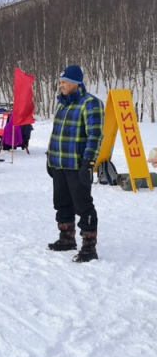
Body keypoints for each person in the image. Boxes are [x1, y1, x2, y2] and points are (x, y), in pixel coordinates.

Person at [46, 65, 104, 263]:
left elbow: (95, 135)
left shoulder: (90, 103)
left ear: (75, 83)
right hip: (59, 163)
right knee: (61, 203)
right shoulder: (61, 104)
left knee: (83, 205)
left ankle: (89, 246)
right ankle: (67, 238)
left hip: (77, 164)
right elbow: (55, 134)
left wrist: (88, 162)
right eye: (60, 81)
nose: (60, 85)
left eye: (64, 82)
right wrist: (49, 159)